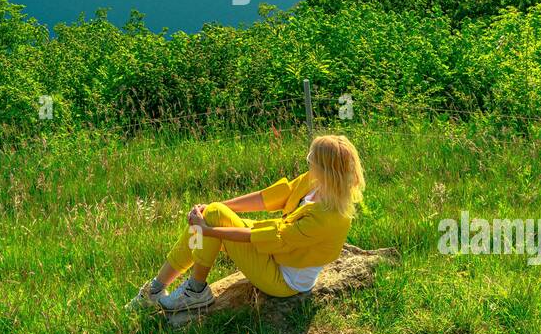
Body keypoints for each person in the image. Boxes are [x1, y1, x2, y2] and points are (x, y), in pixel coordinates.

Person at [131, 134, 366, 313]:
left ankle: (194, 290)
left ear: (326, 170)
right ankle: (156, 288)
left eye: (311, 160)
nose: (308, 164)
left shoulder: (328, 216)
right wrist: (217, 206)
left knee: (207, 225)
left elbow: (269, 238)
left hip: (283, 280)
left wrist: (209, 229)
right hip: (276, 253)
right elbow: (270, 197)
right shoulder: (315, 183)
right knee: (210, 215)